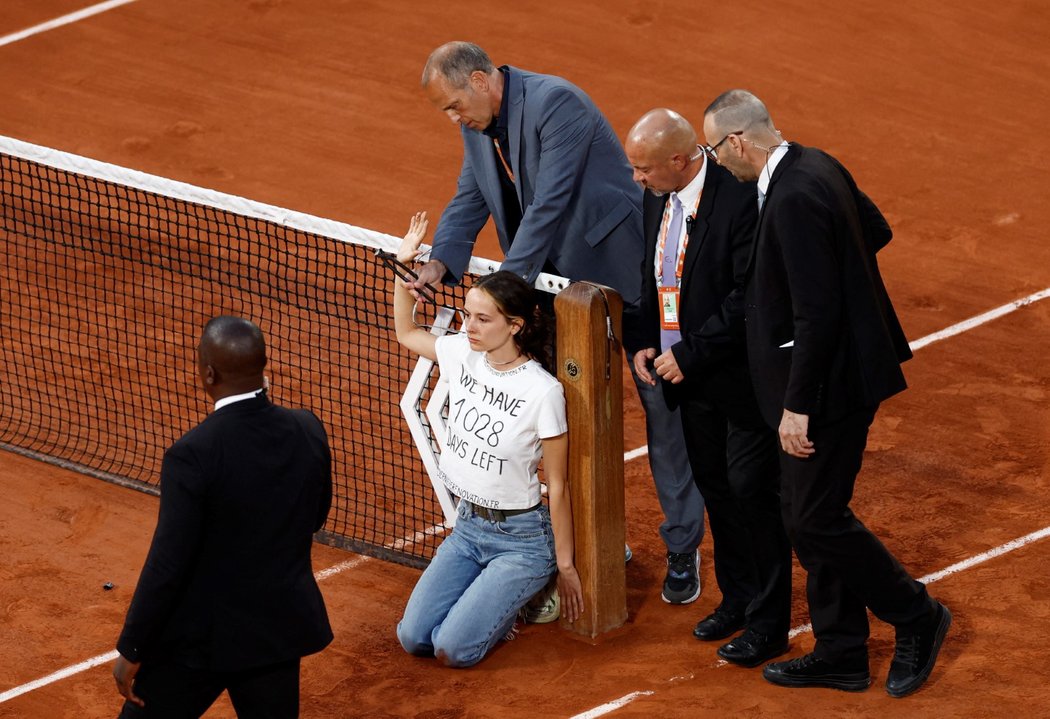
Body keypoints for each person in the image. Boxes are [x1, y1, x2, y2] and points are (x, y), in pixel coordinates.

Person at [416, 40, 693, 594]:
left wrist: (504, 290)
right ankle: (593, 536)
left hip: (618, 274)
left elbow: (550, 203)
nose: (453, 118)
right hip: (546, 285)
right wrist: (440, 262)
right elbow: (471, 196)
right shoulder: (476, 126)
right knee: (549, 411)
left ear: (478, 79)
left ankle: (683, 547)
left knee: (661, 406)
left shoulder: (556, 103)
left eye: (453, 104)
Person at [702, 90, 951, 697]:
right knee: (803, 511)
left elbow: (816, 314)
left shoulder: (790, 196)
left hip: (827, 390)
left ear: (737, 142)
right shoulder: (818, 163)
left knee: (814, 519)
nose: (715, 162)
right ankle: (841, 651)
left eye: (713, 149)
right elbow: (875, 229)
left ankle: (917, 614)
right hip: (834, 374)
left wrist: (798, 405)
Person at [624, 109, 792, 665]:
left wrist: (689, 354)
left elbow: (746, 296)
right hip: (687, 380)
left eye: (644, 169)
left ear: (679, 159)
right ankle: (737, 599)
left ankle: (770, 621)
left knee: (752, 495)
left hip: (740, 381)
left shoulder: (740, 197)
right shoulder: (658, 196)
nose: (637, 180)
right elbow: (656, 277)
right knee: (718, 492)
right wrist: (647, 338)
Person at [112, 316, 334, 718]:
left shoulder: (193, 453)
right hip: (275, 633)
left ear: (208, 374)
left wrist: (133, 647)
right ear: (263, 365)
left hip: (200, 642)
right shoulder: (307, 428)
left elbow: (168, 564)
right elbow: (315, 517)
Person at [393, 212, 584, 668]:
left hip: (522, 540)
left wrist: (566, 566)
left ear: (514, 325)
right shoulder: (462, 352)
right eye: (467, 315)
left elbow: (556, 485)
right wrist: (404, 271)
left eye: (482, 319)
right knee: (413, 637)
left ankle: (524, 596)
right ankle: (491, 601)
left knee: (453, 650)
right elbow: (406, 332)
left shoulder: (543, 392)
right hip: (467, 529)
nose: (469, 326)